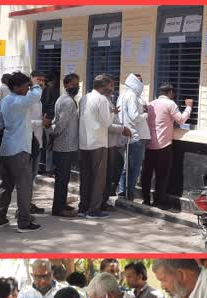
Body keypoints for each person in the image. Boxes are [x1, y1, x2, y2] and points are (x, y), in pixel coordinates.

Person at [0, 71, 42, 233]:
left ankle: (0, 218)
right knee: (24, 186)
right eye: (25, 86)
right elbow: (36, 95)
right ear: (16, 87)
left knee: (5, 185)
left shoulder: (5, 101)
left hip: (6, 148)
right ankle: (24, 222)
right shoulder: (19, 101)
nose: (28, 88)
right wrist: (34, 83)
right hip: (19, 149)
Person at [78, 74, 130, 219]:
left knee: (86, 177)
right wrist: (113, 113)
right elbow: (107, 123)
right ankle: (94, 210)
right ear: (104, 86)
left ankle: (83, 207)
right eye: (110, 86)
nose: (111, 89)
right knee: (98, 179)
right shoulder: (101, 99)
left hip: (84, 142)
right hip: (98, 143)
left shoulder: (84, 97)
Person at [144, 84, 193, 210]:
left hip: (149, 144)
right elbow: (181, 120)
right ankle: (159, 201)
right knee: (162, 175)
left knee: (147, 174)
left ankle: (146, 199)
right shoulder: (170, 104)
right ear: (170, 92)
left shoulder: (151, 104)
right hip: (163, 145)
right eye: (173, 92)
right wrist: (189, 107)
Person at [47, 72, 79, 217]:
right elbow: (61, 124)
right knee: (62, 179)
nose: (76, 87)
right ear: (65, 85)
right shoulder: (67, 101)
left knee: (64, 179)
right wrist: (53, 133)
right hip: (64, 146)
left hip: (66, 145)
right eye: (73, 84)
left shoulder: (66, 99)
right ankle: (58, 209)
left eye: (77, 85)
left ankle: (61, 204)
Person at [117, 73, 150, 200]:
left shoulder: (124, 95)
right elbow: (135, 116)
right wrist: (146, 114)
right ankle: (128, 195)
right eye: (140, 81)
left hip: (127, 135)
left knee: (127, 167)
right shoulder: (131, 96)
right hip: (135, 136)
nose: (141, 84)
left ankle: (123, 192)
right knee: (134, 169)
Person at [28, 70, 46, 214]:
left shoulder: (38, 99)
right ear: (31, 79)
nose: (40, 82)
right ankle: (24, 207)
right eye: (38, 79)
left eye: (42, 80)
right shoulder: (28, 97)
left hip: (37, 142)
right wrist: (42, 122)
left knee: (32, 176)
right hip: (28, 142)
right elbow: (27, 122)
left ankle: (29, 203)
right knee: (27, 177)